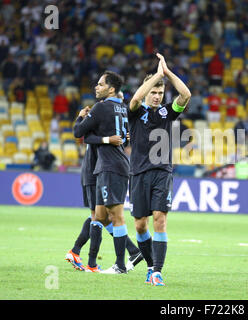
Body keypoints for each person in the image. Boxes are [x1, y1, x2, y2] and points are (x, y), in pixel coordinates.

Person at [128, 53, 191, 286]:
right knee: (140, 225)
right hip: (138, 173)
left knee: (159, 219)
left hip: (162, 172)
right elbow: (135, 99)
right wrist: (155, 76)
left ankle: (157, 271)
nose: (156, 96)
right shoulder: (135, 112)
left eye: (160, 93)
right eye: (153, 92)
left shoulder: (167, 112)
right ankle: (150, 265)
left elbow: (186, 94)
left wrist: (167, 73)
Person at [66, 103, 143, 272]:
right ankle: (85, 258)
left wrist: (126, 136)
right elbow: (81, 133)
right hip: (94, 172)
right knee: (98, 216)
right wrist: (81, 117)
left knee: (102, 215)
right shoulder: (100, 124)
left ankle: (132, 251)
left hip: (96, 171)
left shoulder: (106, 123)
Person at [73, 70, 131, 274]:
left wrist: (81, 118)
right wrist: (106, 139)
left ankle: (121, 265)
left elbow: (79, 133)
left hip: (111, 166)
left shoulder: (101, 107)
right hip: (109, 165)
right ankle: (92, 263)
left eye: (100, 84)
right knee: (98, 215)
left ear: (111, 88)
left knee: (116, 216)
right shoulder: (123, 108)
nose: (96, 87)